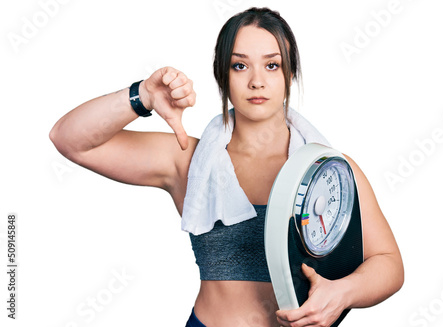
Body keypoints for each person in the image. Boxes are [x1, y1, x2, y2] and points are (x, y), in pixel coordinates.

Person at [50, 7, 403, 327]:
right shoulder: (188, 160)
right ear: (222, 76)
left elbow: (388, 263)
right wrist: (142, 95)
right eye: (239, 65)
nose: (256, 81)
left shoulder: (330, 171)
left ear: (290, 74)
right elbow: (69, 139)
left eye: (272, 64)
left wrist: (344, 293)